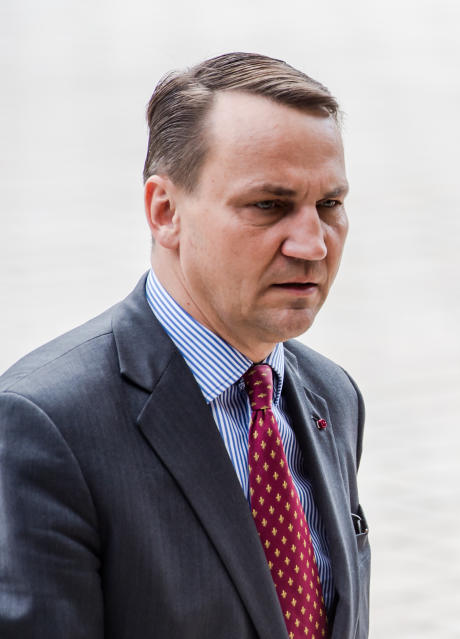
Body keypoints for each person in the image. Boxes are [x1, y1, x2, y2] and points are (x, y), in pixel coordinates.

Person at [0, 52, 369, 639]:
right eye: (269, 206)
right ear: (164, 211)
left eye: (328, 205)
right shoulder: (45, 425)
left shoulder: (332, 396)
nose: (312, 245)